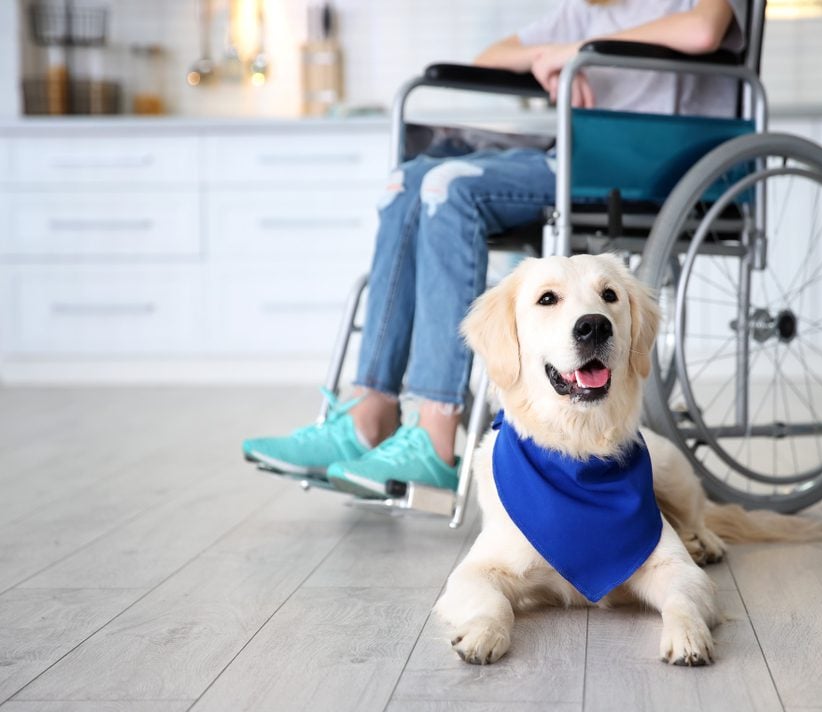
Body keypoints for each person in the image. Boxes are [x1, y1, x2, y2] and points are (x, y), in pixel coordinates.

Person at [242, 0, 747, 497]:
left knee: (448, 187)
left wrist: (574, 53)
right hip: (574, 157)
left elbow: (705, 29)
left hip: (648, 165)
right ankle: (368, 412)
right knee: (409, 182)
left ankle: (435, 431)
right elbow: (491, 56)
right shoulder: (584, 11)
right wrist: (549, 55)